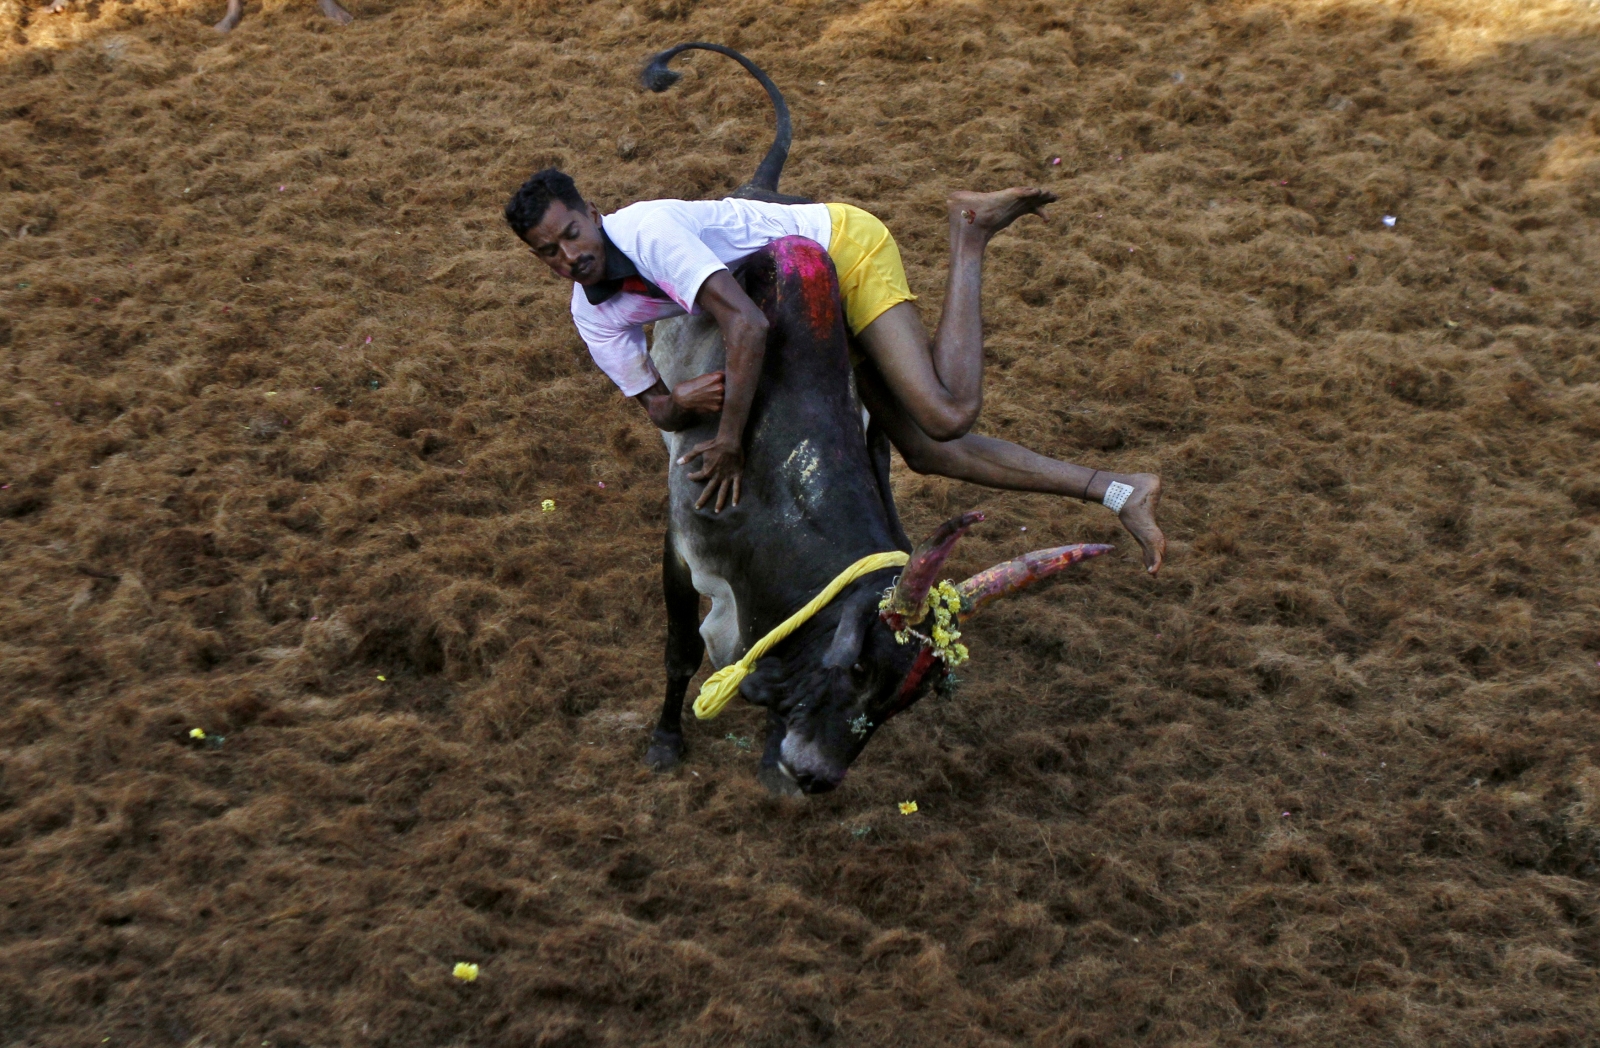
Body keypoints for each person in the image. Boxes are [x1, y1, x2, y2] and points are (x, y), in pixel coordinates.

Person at [504, 168, 1166, 574]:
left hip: (838, 253)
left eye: (571, 235)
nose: (568, 257)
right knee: (928, 454)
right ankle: (1117, 490)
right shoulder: (592, 312)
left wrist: (730, 443)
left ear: (593, 214)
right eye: (548, 254)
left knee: (946, 416)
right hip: (798, 305)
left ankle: (968, 233)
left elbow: (746, 327)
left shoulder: (648, 233)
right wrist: (678, 399)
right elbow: (655, 410)